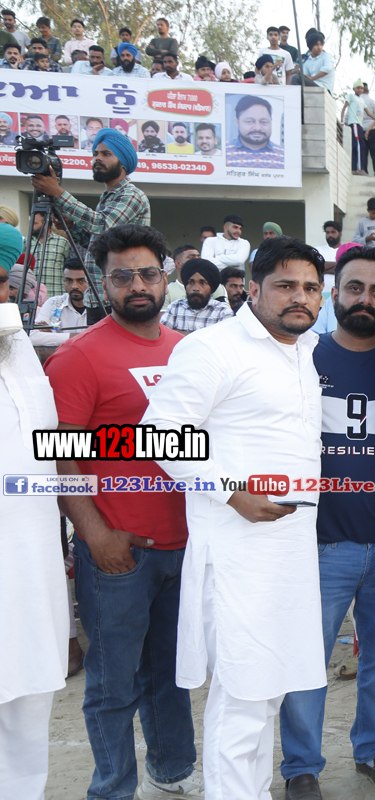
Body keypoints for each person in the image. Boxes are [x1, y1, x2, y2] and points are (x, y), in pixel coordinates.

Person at [141, 236, 328, 799]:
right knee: (242, 695)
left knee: (271, 689)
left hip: (291, 550)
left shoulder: (306, 349)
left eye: (311, 288)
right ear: (252, 288)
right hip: (236, 552)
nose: (300, 297)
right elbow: (158, 433)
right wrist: (230, 493)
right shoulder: (214, 347)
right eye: (286, 286)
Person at [44, 224, 200, 800]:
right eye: (122, 276)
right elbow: (60, 457)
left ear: (166, 276)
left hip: (186, 545)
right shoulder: (78, 357)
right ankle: (112, 789)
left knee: (172, 674)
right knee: (112, 686)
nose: (137, 285)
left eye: (148, 273)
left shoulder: (189, 351)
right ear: (103, 282)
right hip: (118, 551)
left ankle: (173, 772)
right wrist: (96, 534)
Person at [276, 246, 375, 800]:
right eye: (355, 288)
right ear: (334, 294)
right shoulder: (304, 355)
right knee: (307, 659)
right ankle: (301, 766)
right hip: (321, 541)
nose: (365, 300)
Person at [0, 272, 70, 800]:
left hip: (32, 574)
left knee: (28, 710)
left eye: (2, 284)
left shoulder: (18, 350)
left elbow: (50, 445)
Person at [34, 128, 150, 318]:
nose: (98, 158)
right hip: (98, 297)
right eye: (95, 154)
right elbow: (100, 243)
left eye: (106, 154)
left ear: (123, 162)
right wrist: (72, 227)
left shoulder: (132, 195)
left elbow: (102, 224)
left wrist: (58, 193)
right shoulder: (107, 198)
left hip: (122, 297)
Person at [161, 258, 233, 333]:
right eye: (191, 283)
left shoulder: (223, 312)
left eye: (203, 283)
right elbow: (163, 334)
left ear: (211, 287)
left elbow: (223, 339)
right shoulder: (175, 307)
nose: (196, 288)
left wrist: (177, 333)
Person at [30, 259, 89, 346]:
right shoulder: (54, 303)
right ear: (64, 281)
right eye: (69, 280)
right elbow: (34, 337)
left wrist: (53, 336)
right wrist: (79, 337)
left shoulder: (101, 306)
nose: (74, 286)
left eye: (81, 281)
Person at [226, 95, 285, 169]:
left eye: (263, 122)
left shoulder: (284, 156)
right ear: (237, 122)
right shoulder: (224, 153)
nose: (257, 128)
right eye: (250, 122)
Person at [343, 80, 368, 174]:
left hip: (359, 125)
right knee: (358, 145)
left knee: (360, 145)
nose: (360, 90)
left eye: (361, 88)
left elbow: (368, 112)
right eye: (358, 88)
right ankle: (358, 168)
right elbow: (344, 107)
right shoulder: (351, 96)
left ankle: (356, 168)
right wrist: (342, 120)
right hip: (354, 123)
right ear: (354, 88)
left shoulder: (362, 100)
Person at [360, 82, 375, 175]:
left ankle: (364, 171)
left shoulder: (356, 102)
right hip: (372, 129)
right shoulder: (372, 102)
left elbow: (347, 117)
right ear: (368, 91)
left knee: (363, 153)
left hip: (360, 129)